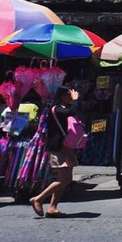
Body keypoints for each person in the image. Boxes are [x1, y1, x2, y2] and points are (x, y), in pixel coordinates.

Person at [30, 86, 80, 218]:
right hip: (58, 147)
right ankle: (38, 198)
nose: (71, 97)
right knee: (66, 178)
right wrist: (75, 101)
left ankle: (52, 207)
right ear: (62, 97)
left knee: (63, 178)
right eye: (69, 95)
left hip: (65, 146)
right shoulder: (56, 110)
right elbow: (73, 111)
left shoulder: (62, 109)